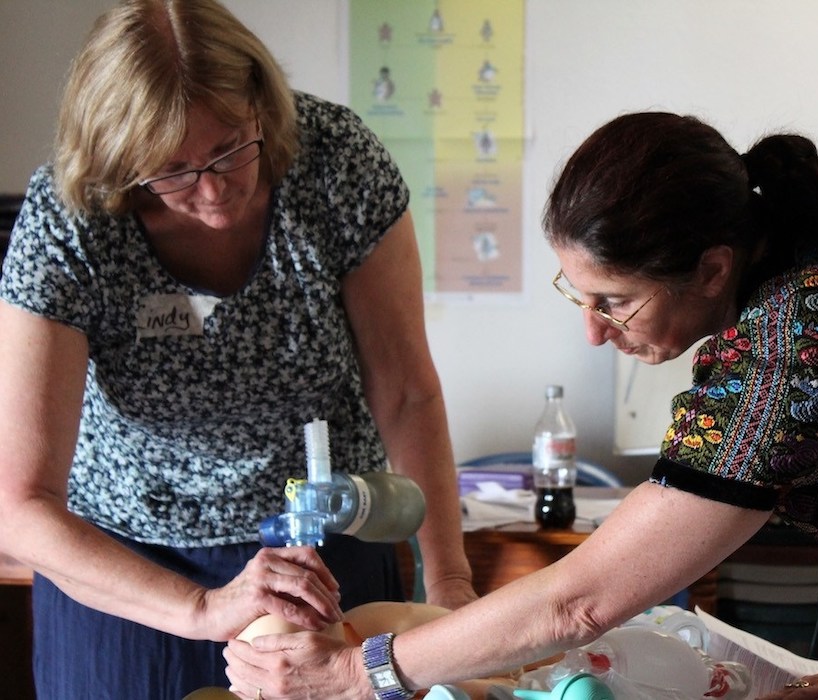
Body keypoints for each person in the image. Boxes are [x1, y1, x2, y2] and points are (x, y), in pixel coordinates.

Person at [223, 111, 818, 700]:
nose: (594, 331)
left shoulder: (786, 349)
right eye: (576, 295)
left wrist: (357, 675)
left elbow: (578, 605)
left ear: (713, 270)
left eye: (615, 301)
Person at [0, 0, 476, 697]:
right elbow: (19, 503)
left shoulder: (334, 163)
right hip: (126, 573)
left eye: (230, 147)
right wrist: (202, 609)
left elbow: (406, 392)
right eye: (172, 170)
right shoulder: (71, 217)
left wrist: (451, 590)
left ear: (263, 105)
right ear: (119, 161)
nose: (215, 189)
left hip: (324, 558)